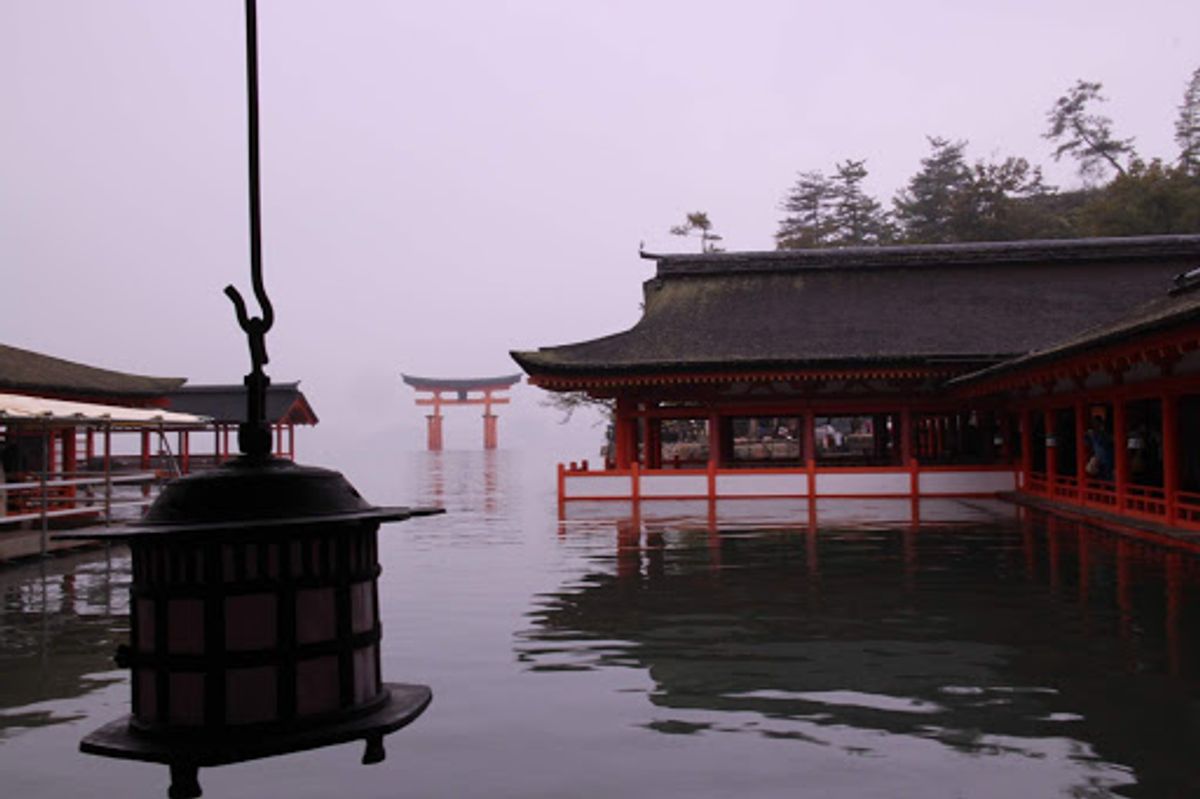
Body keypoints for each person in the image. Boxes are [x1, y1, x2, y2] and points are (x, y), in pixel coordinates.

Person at [1085, 416, 1113, 482]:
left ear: (1100, 423)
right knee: (1097, 478)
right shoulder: (1092, 434)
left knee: (1106, 478)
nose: (1094, 424)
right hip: (1098, 459)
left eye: (1096, 422)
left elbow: (1105, 444)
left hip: (1106, 459)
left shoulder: (1104, 434)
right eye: (1093, 423)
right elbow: (1087, 444)